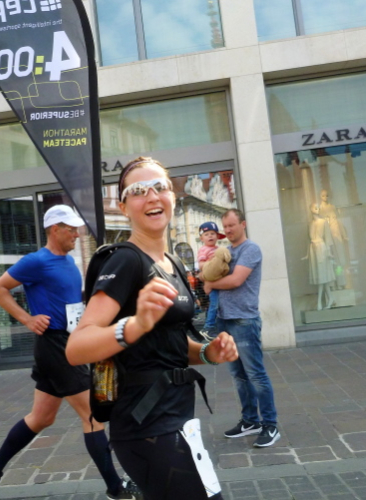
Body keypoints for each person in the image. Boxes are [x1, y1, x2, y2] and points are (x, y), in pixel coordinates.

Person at [66, 157, 238, 500]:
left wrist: (208, 352)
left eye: (160, 187)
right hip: (145, 424)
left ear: (172, 196)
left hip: (178, 418)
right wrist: (135, 324)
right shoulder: (125, 260)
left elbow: (169, 344)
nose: (152, 196)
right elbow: (76, 348)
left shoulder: (172, 262)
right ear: (123, 206)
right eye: (139, 190)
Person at [0, 205, 139, 500]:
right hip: (54, 346)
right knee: (92, 415)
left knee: (41, 417)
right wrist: (27, 319)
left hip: (69, 342)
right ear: (54, 229)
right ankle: (116, 489)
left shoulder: (69, 262)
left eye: (77, 229)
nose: (76, 234)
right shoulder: (36, 261)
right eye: (71, 229)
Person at [204, 208, 281, 447]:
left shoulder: (251, 249)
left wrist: (211, 283)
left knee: (256, 375)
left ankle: (270, 425)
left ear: (243, 224)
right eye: (225, 226)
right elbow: (209, 277)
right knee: (238, 376)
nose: (227, 230)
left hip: (244, 320)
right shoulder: (225, 251)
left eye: (232, 225)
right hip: (224, 319)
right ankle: (250, 421)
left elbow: (236, 280)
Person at [197, 221, 225, 335]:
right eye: (207, 234)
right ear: (202, 238)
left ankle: (217, 326)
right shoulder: (203, 250)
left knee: (220, 304)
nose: (210, 236)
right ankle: (208, 326)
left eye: (213, 234)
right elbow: (201, 265)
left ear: (217, 236)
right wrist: (212, 263)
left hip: (220, 279)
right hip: (212, 279)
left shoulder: (219, 249)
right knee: (215, 304)